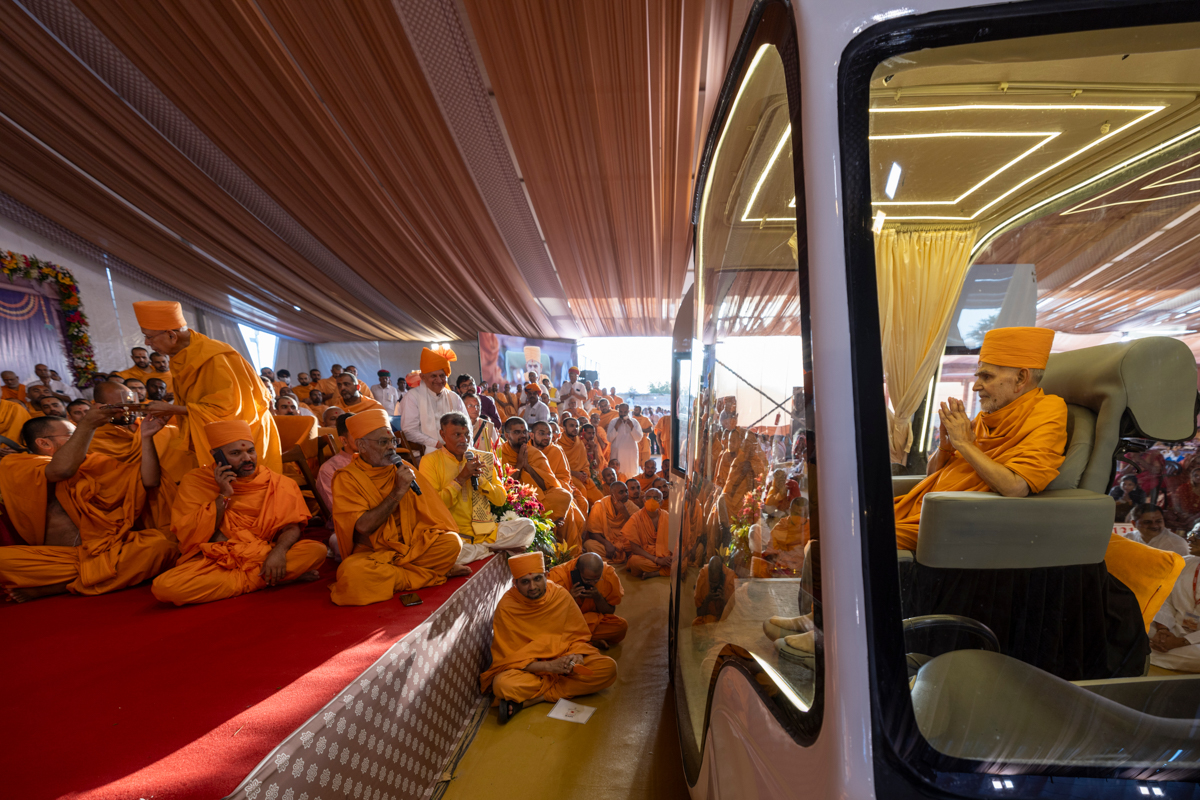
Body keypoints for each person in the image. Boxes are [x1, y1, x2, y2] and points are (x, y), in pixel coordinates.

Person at [893, 327, 1068, 550]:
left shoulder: (1047, 412)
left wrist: (964, 444)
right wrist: (946, 446)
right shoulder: (988, 415)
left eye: (986, 376)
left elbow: (1015, 487)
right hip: (926, 509)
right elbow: (933, 476)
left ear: (1021, 378)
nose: (976, 386)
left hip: (954, 522)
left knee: (863, 539)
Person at [0, 408, 177, 602]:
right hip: (59, 559)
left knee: (160, 546)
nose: (83, 440)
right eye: (72, 435)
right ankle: (99, 575)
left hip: (109, 550)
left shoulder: (93, 462)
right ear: (44, 443)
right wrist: (87, 425)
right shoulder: (17, 464)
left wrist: (146, 437)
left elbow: (149, 480)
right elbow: (61, 470)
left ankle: (56, 587)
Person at [150, 420, 324, 605]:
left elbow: (291, 527)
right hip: (219, 560)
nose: (247, 458)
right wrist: (224, 495)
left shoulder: (279, 482)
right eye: (235, 453)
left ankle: (264, 576)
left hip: (267, 554)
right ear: (216, 456)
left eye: (251, 451)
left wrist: (278, 553)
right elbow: (190, 533)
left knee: (316, 550)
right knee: (165, 587)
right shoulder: (196, 482)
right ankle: (270, 578)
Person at [329, 409, 468, 605]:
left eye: (393, 441)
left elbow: (430, 515)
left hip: (412, 547)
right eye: (383, 442)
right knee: (352, 573)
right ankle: (429, 574)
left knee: (452, 542)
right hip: (374, 554)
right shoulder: (347, 478)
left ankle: (404, 576)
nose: (391, 448)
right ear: (361, 445)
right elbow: (363, 527)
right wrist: (397, 491)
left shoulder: (402, 468)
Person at [133, 300, 281, 481]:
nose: (147, 343)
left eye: (149, 336)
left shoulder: (214, 357)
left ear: (172, 335)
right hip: (213, 431)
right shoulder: (184, 355)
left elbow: (229, 409)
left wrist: (173, 409)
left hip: (245, 436)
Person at [481, 552, 618, 724]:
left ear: (546, 576)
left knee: (608, 668)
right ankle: (558, 689)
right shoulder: (507, 607)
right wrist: (550, 666)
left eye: (537, 579)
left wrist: (577, 655)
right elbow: (509, 658)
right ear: (515, 583)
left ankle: (535, 698)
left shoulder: (559, 595)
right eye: (525, 582)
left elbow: (578, 636)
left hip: (565, 662)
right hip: (532, 669)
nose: (532, 587)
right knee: (502, 685)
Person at [419, 411, 507, 564]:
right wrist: (460, 479)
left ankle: (477, 550)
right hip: (454, 535)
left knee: (527, 527)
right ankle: (483, 550)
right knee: (445, 548)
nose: (464, 440)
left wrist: (481, 481)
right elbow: (434, 506)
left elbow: (500, 500)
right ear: (443, 434)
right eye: (457, 435)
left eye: (467, 434)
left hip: (486, 533)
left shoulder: (482, 459)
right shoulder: (430, 461)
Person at [87, 381, 178, 529]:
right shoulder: (93, 440)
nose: (128, 411)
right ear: (100, 407)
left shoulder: (152, 426)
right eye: (120, 406)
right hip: (128, 512)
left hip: (171, 500)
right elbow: (109, 488)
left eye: (131, 405)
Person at [501, 417, 585, 554]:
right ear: (507, 435)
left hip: (539, 496)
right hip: (513, 499)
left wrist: (528, 467)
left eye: (524, 432)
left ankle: (564, 547)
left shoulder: (535, 453)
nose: (522, 435)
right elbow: (504, 486)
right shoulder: (500, 453)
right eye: (517, 432)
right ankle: (550, 522)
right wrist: (519, 465)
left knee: (564, 496)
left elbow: (548, 485)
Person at [547, 552, 627, 649]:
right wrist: (569, 599)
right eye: (587, 580)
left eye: (597, 580)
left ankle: (581, 640)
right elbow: (551, 618)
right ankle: (589, 640)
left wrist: (598, 598)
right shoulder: (557, 577)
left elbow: (610, 611)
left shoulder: (607, 573)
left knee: (621, 626)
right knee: (549, 633)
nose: (592, 584)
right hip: (568, 624)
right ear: (576, 571)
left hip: (590, 622)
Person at [400, 347, 469, 453]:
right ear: (423, 377)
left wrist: (464, 445)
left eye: (442, 376)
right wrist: (437, 444)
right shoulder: (412, 397)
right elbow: (409, 431)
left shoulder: (454, 397)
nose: (439, 380)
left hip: (456, 451)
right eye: (433, 376)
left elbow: (467, 426)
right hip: (425, 453)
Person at [1150, 532, 1200, 671]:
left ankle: (1147, 654)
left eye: (1198, 535)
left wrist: (1183, 641)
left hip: (1195, 641)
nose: (1190, 538)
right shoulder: (1183, 562)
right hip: (1173, 628)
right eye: (1192, 533)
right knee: (1135, 628)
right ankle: (1158, 647)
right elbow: (1164, 599)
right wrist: (1163, 629)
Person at [531, 420, 589, 513]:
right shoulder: (526, 451)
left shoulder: (556, 450)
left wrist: (553, 485)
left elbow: (565, 477)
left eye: (549, 434)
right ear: (531, 435)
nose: (546, 437)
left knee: (581, 504)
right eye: (542, 433)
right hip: (533, 491)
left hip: (555, 489)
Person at [623, 488, 673, 578]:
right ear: (644, 500)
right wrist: (657, 560)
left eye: (656, 498)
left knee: (682, 561)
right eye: (648, 497)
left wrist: (671, 557)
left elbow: (674, 541)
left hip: (665, 554)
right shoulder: (636, 518)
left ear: (661, 502)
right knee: (634, 561)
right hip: (647, 556)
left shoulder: (667, 516)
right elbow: (635, 549)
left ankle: (656, 573)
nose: (651, 500)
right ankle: (665, 570)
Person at [584, 477, 633, 563]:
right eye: (621, 492)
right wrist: (607, 543)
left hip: (625, 543)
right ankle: (624, 561)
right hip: (607, 542)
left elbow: (636, 530)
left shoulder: (631, 506)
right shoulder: (600, 505)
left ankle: (611, 562)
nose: (625, 494)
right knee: (589, 545)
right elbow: (593, 533)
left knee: (636, 544)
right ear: (612, 494)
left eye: (626, 491)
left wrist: (625, 513)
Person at [558, 416, 603, 505]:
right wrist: (575, 474)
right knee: (582, 490)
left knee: (600, 498)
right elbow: (557, 468)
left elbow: (585, 463)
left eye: (576, 426)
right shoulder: (558, 444)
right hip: (567, 477)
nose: (575, 428)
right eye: (571, 426)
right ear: (564, 428)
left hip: (582, 476)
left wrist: (584, 473)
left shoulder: (579, 443)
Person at [607, 404, 642, 483]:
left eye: (625, 412)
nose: (623, 414)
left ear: (628, 411)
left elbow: (638, 438)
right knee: (617, 474)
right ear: (618, 411)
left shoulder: (634, 422)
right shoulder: (613, 422)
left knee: (631, 474)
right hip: (617, 454)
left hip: (630, 455)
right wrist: (616, 426)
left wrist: (632, 427)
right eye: (621, 412)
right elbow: (609, 438)